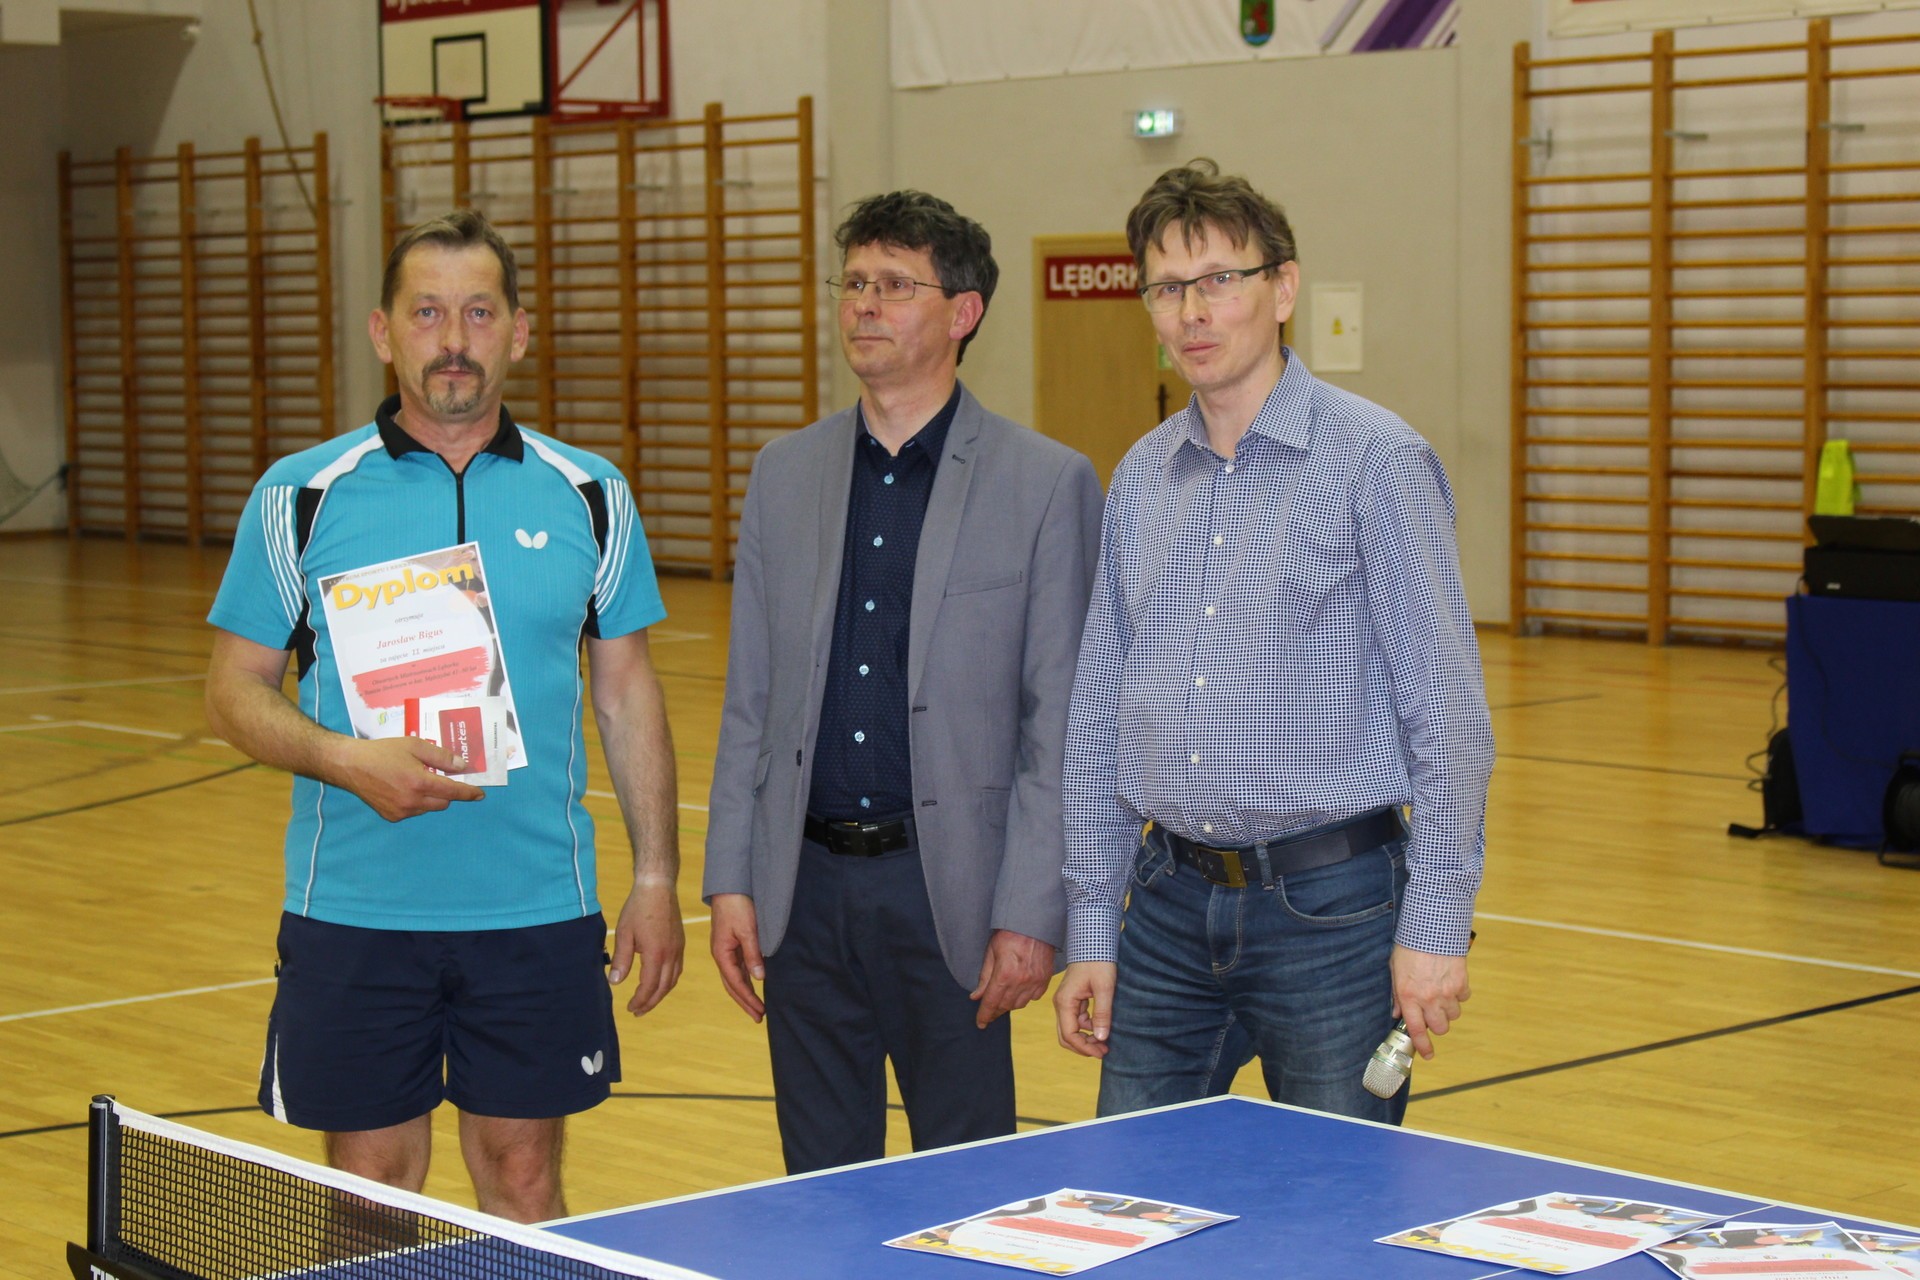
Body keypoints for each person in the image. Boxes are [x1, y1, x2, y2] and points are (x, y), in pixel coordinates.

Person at [204, 210, 684, 1221]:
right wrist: (344, 758)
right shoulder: (301, 495)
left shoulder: (592, 494)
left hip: (536, 909)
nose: (453, 339)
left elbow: (627, 689)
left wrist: (654, 878)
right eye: (426, 313)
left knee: (524, 1181)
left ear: (520, 331)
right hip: (357, 912)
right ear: (383, 332)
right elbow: (232, 691)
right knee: (370, 1196)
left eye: (478, 312)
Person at [1052, 160, 1493, 1123]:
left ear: (1283, 288)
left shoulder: (1377, 462)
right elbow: (1097, 722)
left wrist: (1435, 926)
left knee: (1335, 1197)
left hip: (1335, 912)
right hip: (1166, 909)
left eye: (1220, 279)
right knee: (1135, 1185)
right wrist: (1091, 925)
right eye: (1167, 288)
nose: (1192, 312)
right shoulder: (1139, 477)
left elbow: (1449, 718)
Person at [704, 190, 1103, 1174]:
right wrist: (732, 878)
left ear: (963, 312)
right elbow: (750, 700)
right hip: (805, 892)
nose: (865, 305)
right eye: (853, 284)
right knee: (821, 1185)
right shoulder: (782, 474)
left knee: (965, 1188)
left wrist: (1032, 910)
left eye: (894, 285)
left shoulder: (1046, 482)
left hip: (951, 897)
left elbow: (1059, 726)